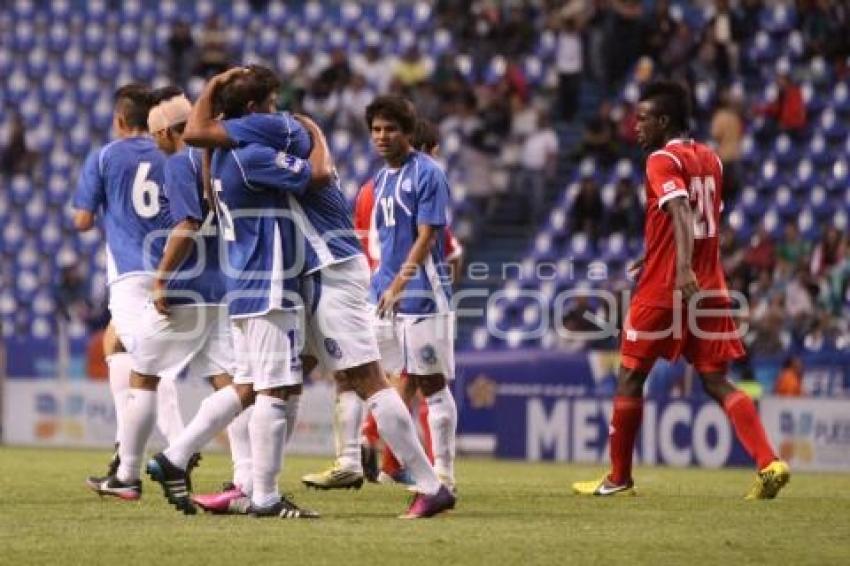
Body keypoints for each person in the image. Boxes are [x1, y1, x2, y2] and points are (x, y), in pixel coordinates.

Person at [180, 67, 453, 519]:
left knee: (367, 379)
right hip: (310, 274)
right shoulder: (267, 143)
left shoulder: (277, 128)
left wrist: (216, 90)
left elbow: (201, 132)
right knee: (275, 385)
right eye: (376, 130)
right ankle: (249, 486)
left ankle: (431, 484)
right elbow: (208, 140)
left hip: (334, 268)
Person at [573, 81, 790, 500]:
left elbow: (680, 209)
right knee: (716, 380)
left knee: (630, 376)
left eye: (643, 119)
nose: (635, 126)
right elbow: (701, 219)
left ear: (664, 122)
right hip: (710, 286)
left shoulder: (660, 159)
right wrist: (655, 251)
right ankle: (769, 461)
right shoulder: (711, 159)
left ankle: (619, 477)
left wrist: (681, 266)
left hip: (668, 286)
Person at [93, 87, 237, 514]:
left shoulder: (181, 164)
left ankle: (133, 472)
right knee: (233, 384)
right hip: (223, 289)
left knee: (142, 373)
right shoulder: (218, 161)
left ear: (172, 131)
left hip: (188, 290)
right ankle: (245, 478)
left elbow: (187, 224)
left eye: (159, 135)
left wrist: (161, 280)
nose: (154, 143)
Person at [303, 118, 463, 489]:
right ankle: (389, 462)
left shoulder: (370, 188)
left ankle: (363, 455)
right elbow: (447, 251)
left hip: (380, 293)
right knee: (403, 380)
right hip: (391, 294)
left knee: (359, 375)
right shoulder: (396, 184)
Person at [73, 84, 186, 499]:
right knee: (120, 345)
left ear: (120, 120)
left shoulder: (104, 155)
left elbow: (83, 220)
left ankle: (173, 448)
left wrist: (109, 205)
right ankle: (127, 458)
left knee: (145, 361)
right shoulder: (173, 151)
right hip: (177, 269)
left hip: (132, 274)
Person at [367, 95, 459, 499]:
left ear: (407, 133)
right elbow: (383, 243)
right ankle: (393, 463)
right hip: (386, 298)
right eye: (376, 130)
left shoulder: (428, 173)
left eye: (390, 129)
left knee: (431, 384)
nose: (382, 137)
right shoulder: (381, 180)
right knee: (382, 383)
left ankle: (444, 473)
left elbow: (428, 235)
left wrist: (400, 282)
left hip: (423, 294)